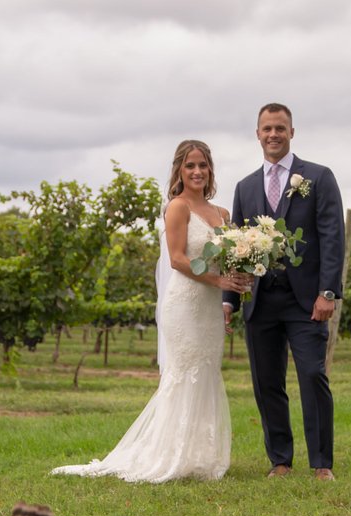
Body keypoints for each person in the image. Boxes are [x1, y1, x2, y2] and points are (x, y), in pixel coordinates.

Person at [52, 141, 251, 483]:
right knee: (182, 374)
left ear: (210, 169)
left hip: (208, 308)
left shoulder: (223, 215)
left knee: (205, 373)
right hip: (184, 303)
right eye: (190, 165)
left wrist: (234, 283)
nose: (197, 171)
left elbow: (229, 258)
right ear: (179, 170)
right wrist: (219, 279)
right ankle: (168, 455)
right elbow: (177, 259)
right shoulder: (177, 207)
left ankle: (197, 455)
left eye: (202, 165)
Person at [223, 103, 345, 481]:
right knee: (266, 383)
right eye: (266, 129)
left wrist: (328, 292)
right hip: (261, 302)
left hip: (306, 300)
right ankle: (280, 460)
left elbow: (332, 236)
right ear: (257, 134)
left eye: (280, 128)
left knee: (312, 375)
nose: (273, 134)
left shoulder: (319, 177)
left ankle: (321, 463)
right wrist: (229, 299)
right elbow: (237, 247)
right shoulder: (244, 187)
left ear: (292, 131)